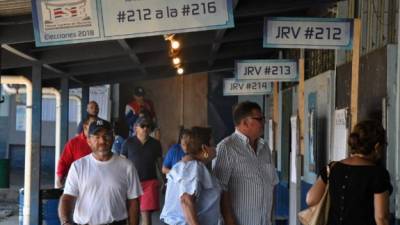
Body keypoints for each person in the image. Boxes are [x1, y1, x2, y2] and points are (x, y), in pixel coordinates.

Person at [306, 120, 392, 225]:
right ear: (377, 147)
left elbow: (311, 199)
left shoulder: (332, 168)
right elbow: (381, 218)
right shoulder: (378, 174)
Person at [58, 119, 142, 225]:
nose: (102, 141)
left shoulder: (127, 166)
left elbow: (133, 202)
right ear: (88, 141)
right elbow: (67, 197)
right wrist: (65, 221)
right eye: (97, 137)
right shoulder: (78, 166)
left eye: (106, 136)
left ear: (112, 138)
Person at [213, 101, 279, 225]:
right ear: (244, 123)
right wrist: (230, 222)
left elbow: (272, 183)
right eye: (259, 119)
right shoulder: (226, 147)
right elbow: (220, 189)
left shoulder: (264, 147)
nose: (263, 123)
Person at [160, 127, 221, 225]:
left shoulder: (188, 164)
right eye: (213, 145)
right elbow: (186, 201)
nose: (215, 149)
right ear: (205, 148)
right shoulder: (193, 167)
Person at [121, 116, 162, 225]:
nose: (145, 128)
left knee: (146, 214)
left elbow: (159, 163)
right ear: (136, 128)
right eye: (142, 126)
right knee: (132, 215)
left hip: (149, 182)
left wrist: (163, 180)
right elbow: (121, 164)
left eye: (148, 126)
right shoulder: (127, 143)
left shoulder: (156, 144)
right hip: (131, 183)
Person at [56, 116, 96, 188]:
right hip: (78, 183)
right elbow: (64, 161)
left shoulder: (100, 142)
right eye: (93, 125)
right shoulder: (73, 143)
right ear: (85, 127)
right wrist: (60, 177)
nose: (95, 128)